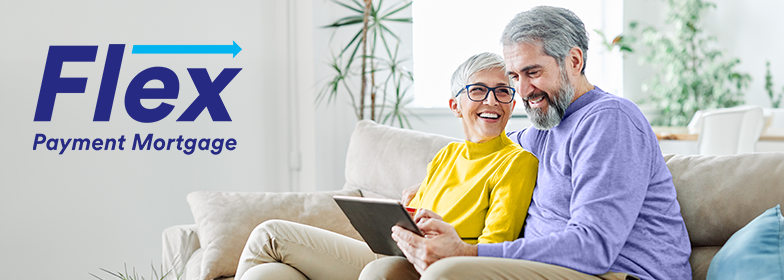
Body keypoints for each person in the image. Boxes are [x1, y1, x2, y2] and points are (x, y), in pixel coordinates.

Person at [362, 6, 692, 280]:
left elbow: (594, 247)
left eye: (532, 72)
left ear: (574, 61)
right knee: (385, 271)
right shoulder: (540, 130)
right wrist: (426, 188)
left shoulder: (610, 120)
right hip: (545, 269)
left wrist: (470, 252)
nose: (522, 90)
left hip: (618, 274)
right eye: (515, 77)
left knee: (447, 273)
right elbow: (479, 154)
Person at [233, 52, 539, 280]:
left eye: (503, 91)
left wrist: (448, 241)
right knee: (267, 267)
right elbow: (409, 222)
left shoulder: (517, 161)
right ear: (455, 106)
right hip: (393, 251)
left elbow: (494, 248)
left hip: (434, 267)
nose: (492, 101)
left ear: (513, 104)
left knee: (275, 235)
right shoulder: (447, 155)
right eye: (477, 90)